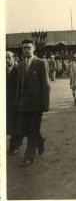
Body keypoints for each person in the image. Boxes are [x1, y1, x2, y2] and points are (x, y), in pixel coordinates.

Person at [16, 39, 50, 167]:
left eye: (29, 48)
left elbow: (46, 84)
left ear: (34, 48)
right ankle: (40, 141)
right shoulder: (20, 65)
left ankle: (29, 156)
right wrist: (17, 102)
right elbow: (19, 86)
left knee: (32, 130)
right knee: (24, 130)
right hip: (23, 104)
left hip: (36, 104)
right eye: (24, 48)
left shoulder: (41, 63)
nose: (26, 50)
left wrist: (45, 104)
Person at [6, 51, 22, 155]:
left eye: (8, 57)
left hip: (17, 102)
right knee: (11, 124)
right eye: (4, 58)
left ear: (14, 58)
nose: (6, 60)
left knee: (17, 124)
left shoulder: (19, 69)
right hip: (7, 103)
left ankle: (14, 146)